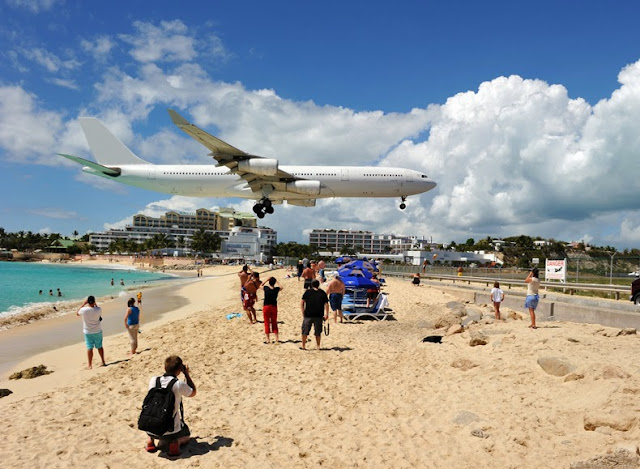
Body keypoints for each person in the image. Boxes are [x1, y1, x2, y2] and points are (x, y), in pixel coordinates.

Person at [145, 355, 197, 456]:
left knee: (154, 411)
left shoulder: (153, 380)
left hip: (149, 426)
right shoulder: (178, 384)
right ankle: (176, 442)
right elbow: (193, 392)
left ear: (165, 368)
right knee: (186, 435)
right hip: (171, 430)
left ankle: (150, 441)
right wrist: (186, 374)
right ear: (179, 369)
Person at [76, 295, 105, 369]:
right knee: (100, 347)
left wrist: (83, 304)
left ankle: (90, 365)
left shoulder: (84, 310)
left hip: (88, 331)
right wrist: (95, 304)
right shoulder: (99, 309)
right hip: (97, 331)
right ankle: (103, 361)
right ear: (94, 302)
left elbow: (77, 313)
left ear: (88, 302)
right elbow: (98, 311)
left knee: (89, 348)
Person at [300, 279, 329, 350]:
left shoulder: (307, 292)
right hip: (319, 315)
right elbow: (326, 304)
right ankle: (318, 346)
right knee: (318, 332)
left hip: (308, 314)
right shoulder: (322, 293)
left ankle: (303, 346)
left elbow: (302, 302)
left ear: (312, 285)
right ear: (318, 285)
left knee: (305, 331)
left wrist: (303, 312)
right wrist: (326, 314)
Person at [262, 277, 282, 344]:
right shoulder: (276, 289)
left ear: (269, 282)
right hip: (273, 306)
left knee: (266, 322)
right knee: (274, 322)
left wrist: (266, 280)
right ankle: (277, 338)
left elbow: (260, 286)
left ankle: (268, 339)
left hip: (266, 306)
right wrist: (277, 281)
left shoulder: (266, 288)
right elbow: (281, 287)